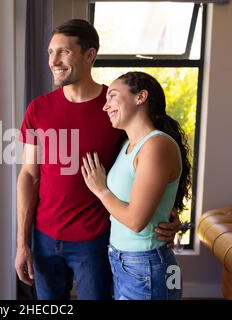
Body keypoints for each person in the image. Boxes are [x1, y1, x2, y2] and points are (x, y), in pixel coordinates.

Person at [15, 19, 180, 300]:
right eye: (50, 53)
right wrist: (22, 241)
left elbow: (149, 159)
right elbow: (29, 175)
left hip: (95, 240)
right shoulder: (38, 109)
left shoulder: (116, 108)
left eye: (64, 52)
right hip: (43, 238)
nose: (53, 61)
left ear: (90, 55)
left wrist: (167, 213)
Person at [81, 71, 190, 300]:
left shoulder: (156, 145)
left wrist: (101, 190)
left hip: (146, 265)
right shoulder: (128, 145)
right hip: (126, 262)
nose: (105, 106)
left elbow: (135, 221)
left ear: (140, 97)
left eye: (112, 96)